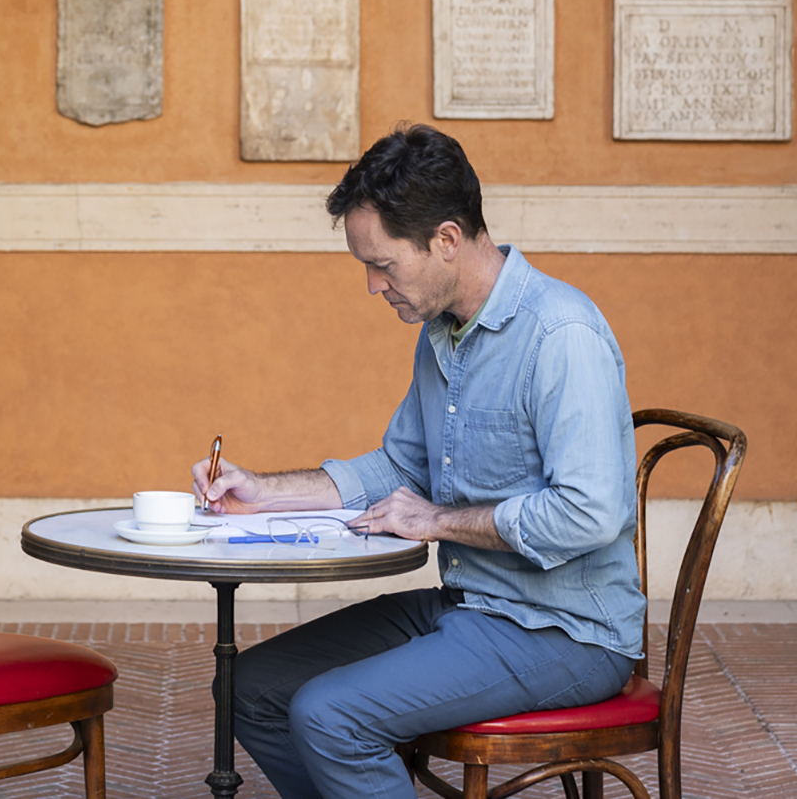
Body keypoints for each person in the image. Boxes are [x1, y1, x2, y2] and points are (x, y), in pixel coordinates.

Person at [190, 123, 645, 799]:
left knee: (330, 715)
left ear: (447, 240)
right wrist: (263, 491)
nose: (374, 286)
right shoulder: (443, 335)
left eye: (383, 264)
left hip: (566, 632)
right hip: (467, 605)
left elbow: (590, 513)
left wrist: (438, 520)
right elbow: (400, 468)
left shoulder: (561, 335)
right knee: (248, 686)